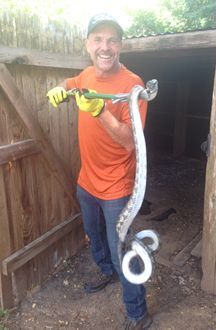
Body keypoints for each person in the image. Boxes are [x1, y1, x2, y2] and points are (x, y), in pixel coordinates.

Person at [47, 13, 152, 329]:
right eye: (98, 39)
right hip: (87, 181)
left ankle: (137, 313)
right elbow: (73, 84)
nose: (105, 47)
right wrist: (61, 88)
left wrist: (101, 111)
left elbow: (130, 144)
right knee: (95, 237)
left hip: (117, 187)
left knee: (121, 247)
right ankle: (106, 271)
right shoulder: (87, 74)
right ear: (88, 45)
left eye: (112, 40)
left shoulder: (133, 87)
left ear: (120, 46)